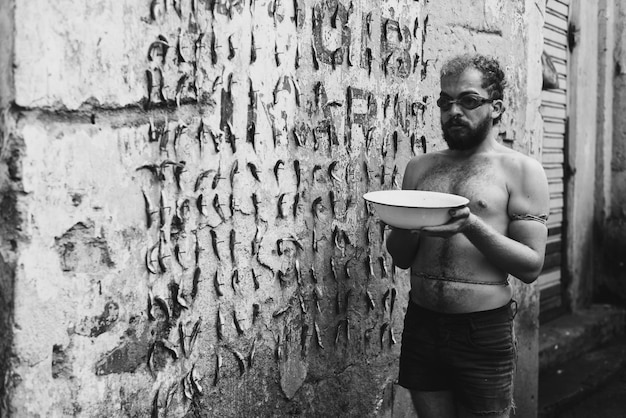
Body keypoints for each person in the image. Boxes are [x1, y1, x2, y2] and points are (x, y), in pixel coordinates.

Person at [385, 54, 549, 417]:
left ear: (496, 107)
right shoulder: (420, 168)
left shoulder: (521, 170)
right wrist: (401, 224)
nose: (454, 111)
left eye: (469, 101)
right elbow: (401, 257)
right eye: (446, 101)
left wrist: (471, 225)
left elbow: (531, 266)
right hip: (423, 323)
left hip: (482, 330)